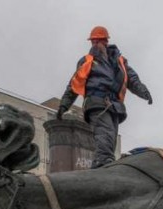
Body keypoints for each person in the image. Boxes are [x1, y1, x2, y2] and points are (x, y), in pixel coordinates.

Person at [57, 26, 153, 169]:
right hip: (97, 104)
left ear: (105, 41)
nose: (94, 45)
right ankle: (103, 167)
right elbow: (74, 84)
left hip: (115, 106)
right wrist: (63, 105)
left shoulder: (119, 61)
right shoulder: (87, 61)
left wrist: (144, 93)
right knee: (105, 139)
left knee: (110, 142)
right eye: (93, 42)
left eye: (97, 41)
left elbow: (132, 80)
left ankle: (101, 166)